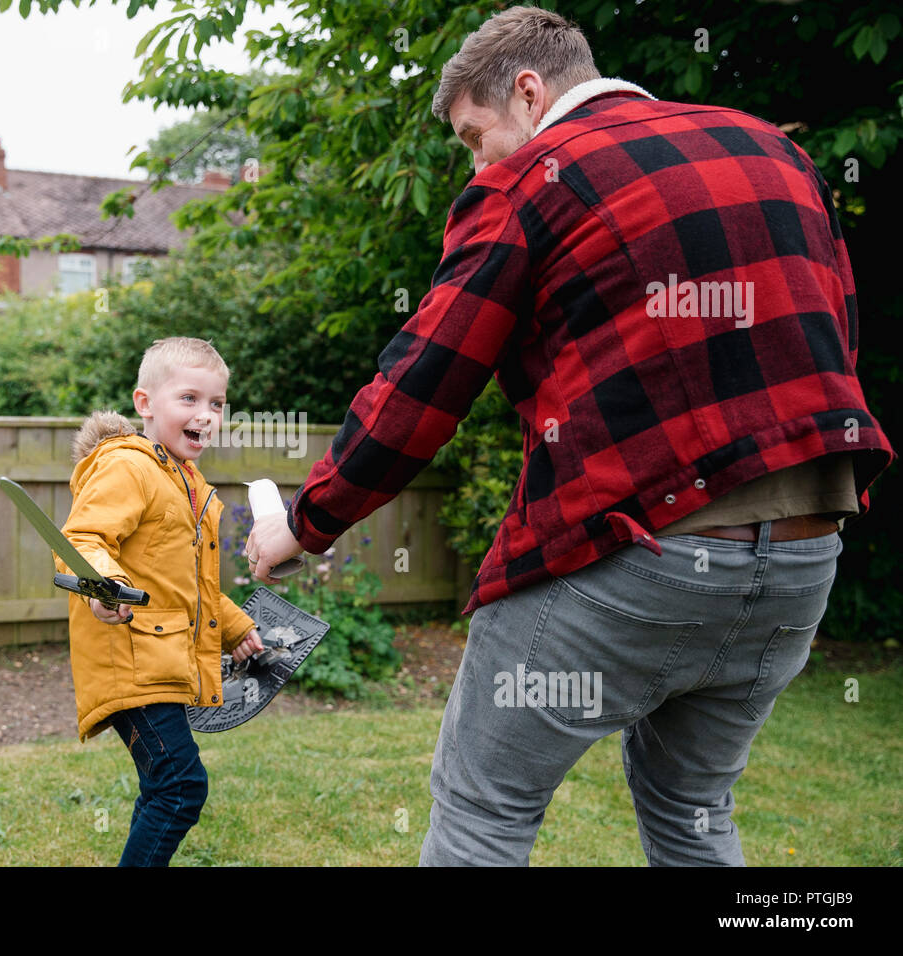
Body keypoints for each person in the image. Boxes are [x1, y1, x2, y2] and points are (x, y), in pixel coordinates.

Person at [243, 5, 894, 865]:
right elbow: (836, 329)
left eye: (476, 138)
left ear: (527, 89)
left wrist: (302, 524)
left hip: (634, 555)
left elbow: (423, 381)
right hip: (807, 557)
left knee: (484, 809)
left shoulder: (533, 181)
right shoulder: (776, 150)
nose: (476, 164)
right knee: (693, 811)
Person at [55, 336, 264, 866]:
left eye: (216, 404)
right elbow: (84, 540)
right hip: (131, 658)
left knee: (162, 788)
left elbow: (193, 586)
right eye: (189, 399)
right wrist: (101, 585)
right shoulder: (128, 466)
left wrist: (235, 626)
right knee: (180, 786)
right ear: (145, 403)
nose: (207, 415)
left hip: (160, 659)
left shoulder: (189, 482)